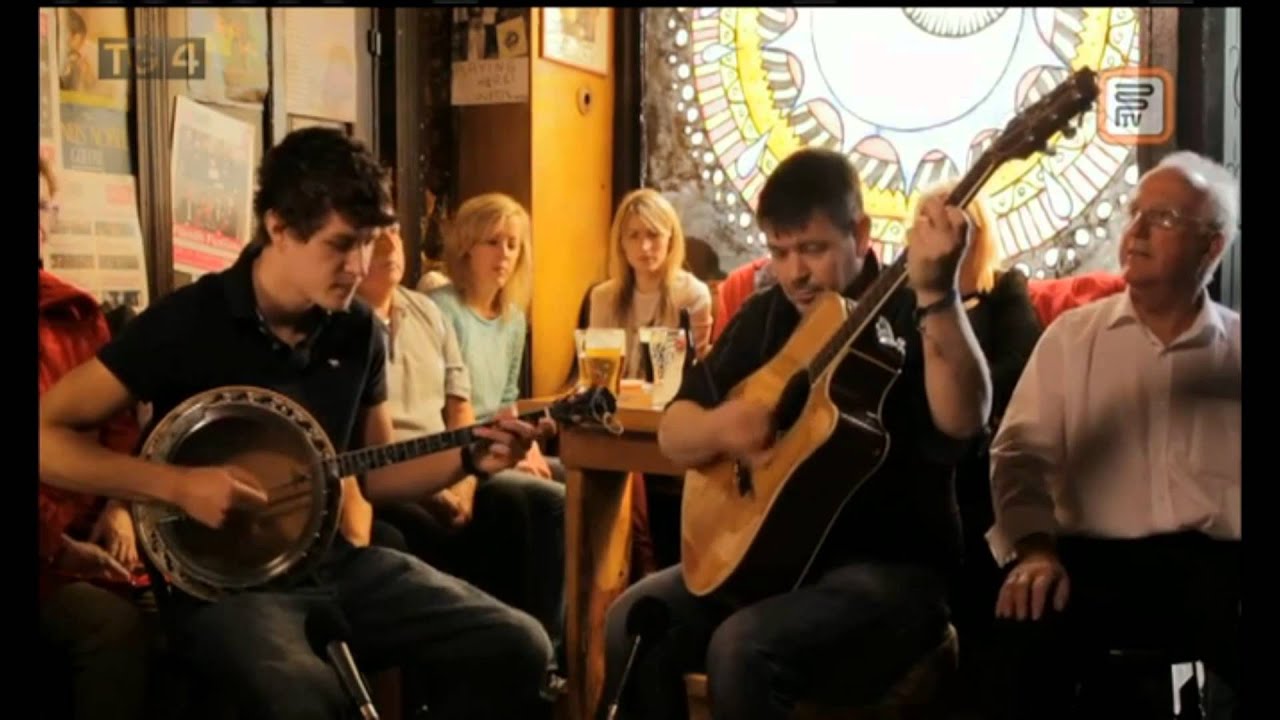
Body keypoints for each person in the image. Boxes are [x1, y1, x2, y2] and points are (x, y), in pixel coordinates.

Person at [38, 128, 558, 720]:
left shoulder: (357, 331)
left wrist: (470, 457)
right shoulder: (187, 322)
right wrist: (174, 485)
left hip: (333, 564)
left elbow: (379, 474)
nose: (360, 266)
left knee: (518, 646)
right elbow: (46, 436)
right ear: (279, 227)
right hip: (223, 589)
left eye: (369, 242)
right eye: (341, 245)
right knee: (304, 698)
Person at [599, 147, 992, 720]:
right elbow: (674, 433)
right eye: (780, 252)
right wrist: (723, 426)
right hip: (766, 565)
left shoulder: (914, 308)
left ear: (861, 233)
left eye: (812, 249)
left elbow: (964, 419)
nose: (794, 273)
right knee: (631, 621)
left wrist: (939, 296)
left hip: (888, 572)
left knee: (741, 648)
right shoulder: (767, 315)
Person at [984, 151, 1241, 720]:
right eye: (1134, 213)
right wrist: (1035, 551)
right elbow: (1018, 455)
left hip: (1217, 565)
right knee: (1022, 621)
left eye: (1164, 218)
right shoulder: (1071, 339)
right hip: (1088, 561)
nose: (1137, 232)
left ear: (1212, 247)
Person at [356, 204, 567, 679]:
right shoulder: (345, 324)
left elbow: (461, 406)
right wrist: (438, 491)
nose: (391, 245)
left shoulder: (427, 312)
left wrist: (465, 480)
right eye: (375, 235)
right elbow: (367, 455)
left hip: (454, 463)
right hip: (394, 480)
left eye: (396, 231)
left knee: (548, 497)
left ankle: (542, 664)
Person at [38, 155, 150, 720]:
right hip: (45, 553)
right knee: (112, 627)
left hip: (89, 525)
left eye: (41, 207)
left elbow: (119, 425)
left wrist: (119, 504)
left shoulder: (78, 312)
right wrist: (60, 549)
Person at [429, 192, 558, 479]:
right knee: (556, 498)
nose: (504, 254)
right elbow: (439, 410)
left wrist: (526, 448)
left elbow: (506, 402)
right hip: (456, 455)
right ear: (466, 248)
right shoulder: (442, 309)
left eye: (512, 245)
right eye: (492, 242)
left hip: (500, 446)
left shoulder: (514, 318)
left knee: (586, 479)